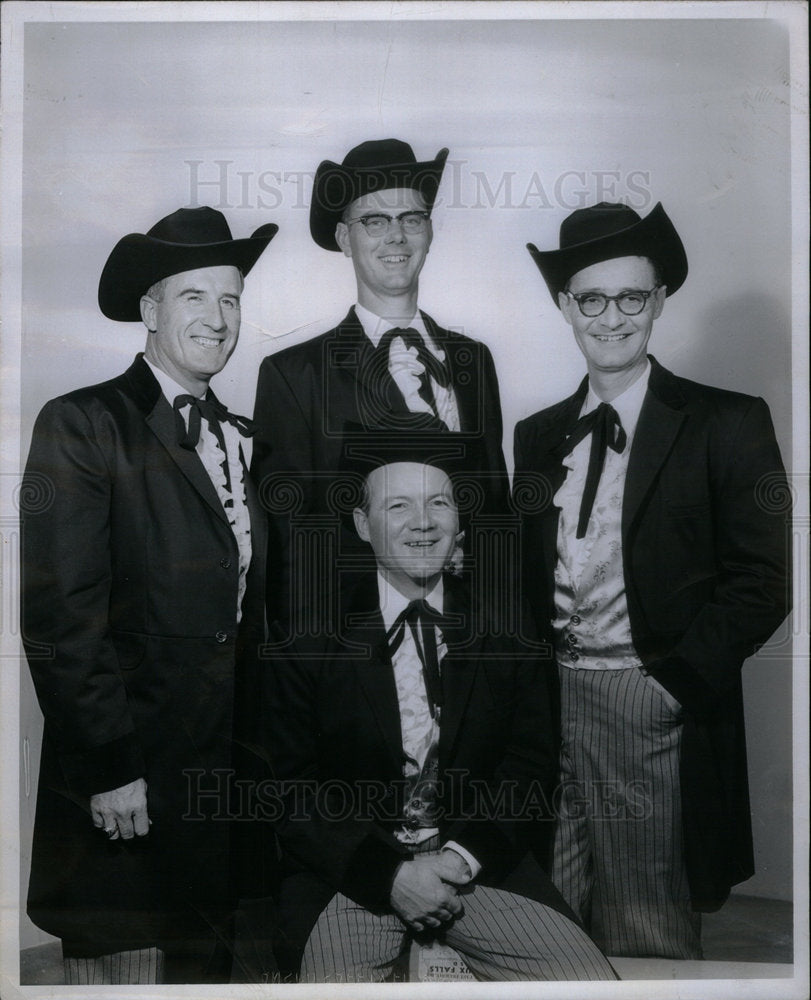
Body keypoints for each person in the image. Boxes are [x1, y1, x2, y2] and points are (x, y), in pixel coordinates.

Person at [514, 201, 791, 959]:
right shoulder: (535, 435)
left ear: (659, 299)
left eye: (631, 297)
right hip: (544, 705)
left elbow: (765, 579)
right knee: (542, 922)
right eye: (592, 299)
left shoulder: (724, 422)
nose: (612, 317)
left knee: (644, 932)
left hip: (648, 698)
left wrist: (669, 687)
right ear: (564, 304)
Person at [21, 206, 277, 984]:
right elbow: (60, 617)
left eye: (231, 299)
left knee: (214, 973)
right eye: (195, 296)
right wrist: (108, 768)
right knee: (127, 975)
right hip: (129, 785)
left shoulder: (248, 436)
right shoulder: (84, 422)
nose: (218, 317)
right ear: (150, 310)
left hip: (227, 791)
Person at [265, 428, 617, 983]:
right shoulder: (307, 635)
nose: (423, 522)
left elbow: (528, 771)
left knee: (591, 985)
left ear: (460, 519)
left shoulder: (506, 632)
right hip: (353, 872)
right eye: (398, 505)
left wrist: (455, 861)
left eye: (439, 503)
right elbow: (288, 789)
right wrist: (391, 876)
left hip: (477, 866)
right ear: (362, 524)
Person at [251, 138, 509, 626]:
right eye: (375, 220)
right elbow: (290, 553)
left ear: (429, 233)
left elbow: (494, 516)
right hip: (359, 655)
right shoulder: (294, 376)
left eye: (411, 219)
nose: (397, 236)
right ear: (345, 238)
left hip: (473, 642)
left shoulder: (475, 361)